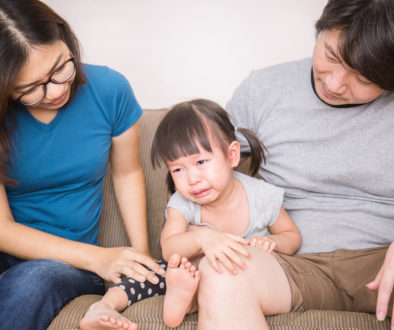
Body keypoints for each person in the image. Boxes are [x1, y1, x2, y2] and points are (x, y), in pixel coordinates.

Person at [195, 0, 394, 329]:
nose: (333, 84)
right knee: (221, 271)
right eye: (330, 56)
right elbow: (201, 163)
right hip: (289, 264)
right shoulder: (263, 89)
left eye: (362, 77)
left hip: (381, 258)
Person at [0, 1, 165, 329]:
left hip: (67, 263)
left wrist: (139, 258)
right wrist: (101, 258)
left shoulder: (109, 89)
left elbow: (127, 172)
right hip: (11, 249)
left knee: (34, 280)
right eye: (30, 89)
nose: (55, 91)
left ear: (66, 39)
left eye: (60, 68)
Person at [81, 98, 302, 329]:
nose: (192, 179)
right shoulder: (183, 202)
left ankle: (186, 302)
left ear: (232, 155)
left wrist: (272, 242)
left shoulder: (262, 196)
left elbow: (292, 237)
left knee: (218, 275)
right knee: (153, 271)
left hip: (241, 280)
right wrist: (202, 238)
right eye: (178, 169)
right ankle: (104, 306)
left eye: (201, 161)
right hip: (189, 274)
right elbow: (169, 248)